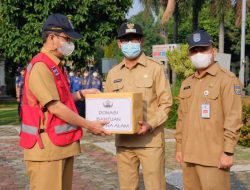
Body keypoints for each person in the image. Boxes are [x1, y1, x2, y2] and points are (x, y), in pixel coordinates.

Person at [20, 13, 110, 190]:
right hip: (46, 149)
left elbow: (62, 98)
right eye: (66, 38)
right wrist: (89, 124)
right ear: (52, 38)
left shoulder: (55, 66)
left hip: (60, 145)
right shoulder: (41, 67)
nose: (70, 44)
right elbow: (56, 107)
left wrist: (82, 93)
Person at [105, 22, 173, 190]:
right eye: (125, 40)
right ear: (119, 43)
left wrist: (151, 124)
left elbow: (166, 103)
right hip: (124, 143)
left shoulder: (155, 68)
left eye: (133, 39)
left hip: (150, 142)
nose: (129, 44)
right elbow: (107, 105)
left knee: (155, 186)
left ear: (141, 41)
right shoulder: (113, 73)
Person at [175, 29, 242, 190]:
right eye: (194, 50)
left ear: (213, 51)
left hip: (214, 158)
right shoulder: (187, 83)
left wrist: (228, 152)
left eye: (203, 49)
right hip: (189, 155)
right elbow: (181, 118)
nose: (198, 53)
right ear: (190, 55)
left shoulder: (227, 80)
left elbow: (233, 118)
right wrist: (179, 147)